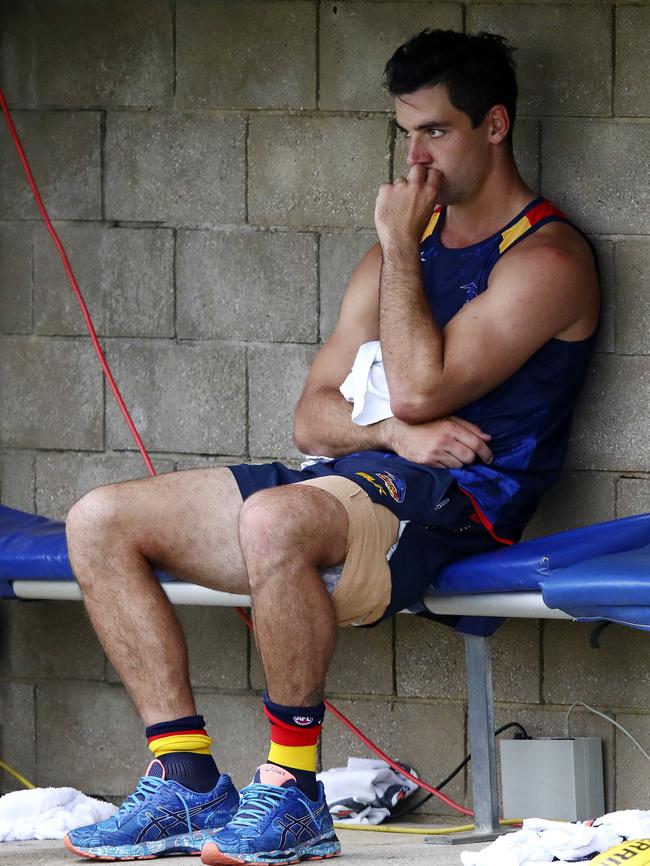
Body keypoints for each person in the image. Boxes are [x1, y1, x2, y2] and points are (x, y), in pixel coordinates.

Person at [63, 28, 599, 866]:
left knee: (277, 521)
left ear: (495, 125)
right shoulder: (400, 254)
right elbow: (313, 418)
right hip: (354, 479)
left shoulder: (547, 257)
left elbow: (423, 387)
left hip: (461, 504)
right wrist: (386, 429)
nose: (415, 158)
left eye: (436, 132)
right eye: (405, 133)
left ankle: (293, 793)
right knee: (99, 520)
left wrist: (396, 248)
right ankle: (186, 780)